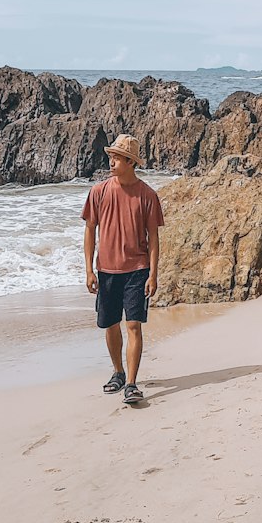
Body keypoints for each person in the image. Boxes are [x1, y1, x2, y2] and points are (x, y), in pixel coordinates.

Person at [82, 133, 164, 405]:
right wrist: (89, 270)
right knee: (110, 324)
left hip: (137, 269)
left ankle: (131, 383)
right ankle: (117, 372)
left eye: (117, 158)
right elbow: (90, 230)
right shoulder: (99, 191)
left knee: (134, 325)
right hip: (106, 271)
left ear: (130, 162)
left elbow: (153, 238)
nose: (112, 162)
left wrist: (153, 274)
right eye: (111, 157)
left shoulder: (147, 195)